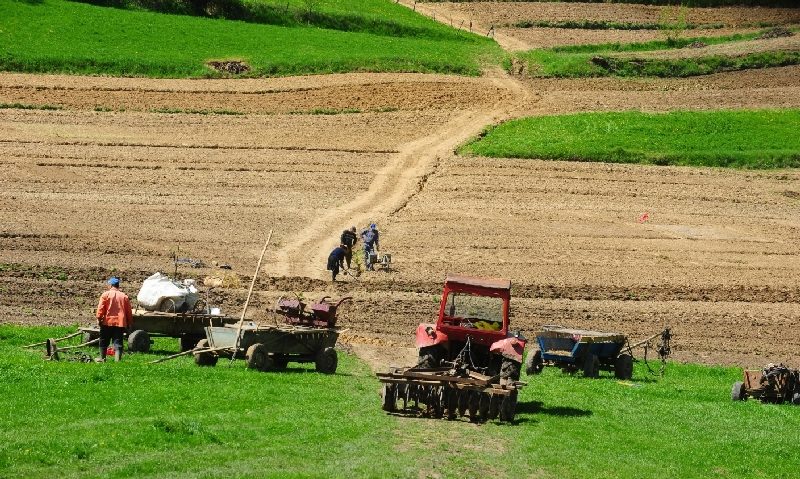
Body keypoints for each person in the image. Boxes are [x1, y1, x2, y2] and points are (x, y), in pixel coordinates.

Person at [95, 276, 133, 362]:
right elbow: (128, 312)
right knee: (118, 341)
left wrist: (99, 318)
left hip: (107, 322)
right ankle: (117, 360)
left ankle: (102, 358)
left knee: (104, 340)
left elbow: (101, 308)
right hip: (120, 323)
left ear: (110, 285)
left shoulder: (105, 295)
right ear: (118, 286)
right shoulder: (124, 296)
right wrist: (129, 322)